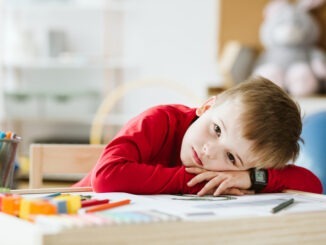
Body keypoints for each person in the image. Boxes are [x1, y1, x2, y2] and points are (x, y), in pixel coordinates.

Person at [74, 76, 322, 195]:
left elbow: (312, 185)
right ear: (206, 106)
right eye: (216, 130)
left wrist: (251, 179)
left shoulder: (241, 174)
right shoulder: (159, 120)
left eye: (231, 158)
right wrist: (195, 181)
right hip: (71, 214)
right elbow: (107, 178)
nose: (209, 151)